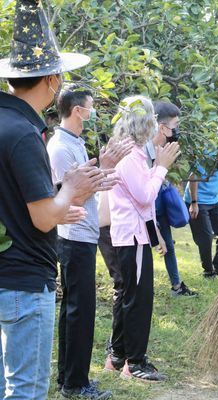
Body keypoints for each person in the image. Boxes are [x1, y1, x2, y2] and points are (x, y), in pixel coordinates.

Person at [0, 2, 115, 398]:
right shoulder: (23, 133)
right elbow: (44, 218)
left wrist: (67, 186)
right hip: (22, 280)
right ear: (51, 80)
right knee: (25, 389)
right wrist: (72, 190)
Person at [48, 86, 131, 399]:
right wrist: (102, 173)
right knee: (79, 311)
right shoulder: (60, 148)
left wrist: (103, 172)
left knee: (76, 310)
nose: (93, 112)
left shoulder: (75, 143)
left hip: (82, 235)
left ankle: (70, 379)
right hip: (72, 236)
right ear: (78, 110)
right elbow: (64, 196)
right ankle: (74, 383)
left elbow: (85, 187)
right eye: (91, 107)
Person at [107, 95, 180, 381]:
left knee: (129, 296)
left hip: (136, 235)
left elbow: (144, 205)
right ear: (148, 123)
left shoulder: (132, 154)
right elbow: (145, 196)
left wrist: (156, 235)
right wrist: (161, 166)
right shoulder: (131, 157)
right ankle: (134, 362)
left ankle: (118, 356)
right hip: (130, 238)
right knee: (138, 300)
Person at [145, 101, 196, 296]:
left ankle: (176, 285)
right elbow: (143, 195)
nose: (177, 130)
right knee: (151, 246)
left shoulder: (159, 148)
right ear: (162, 127)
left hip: (157, 208)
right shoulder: (142, 153)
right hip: (146, 211)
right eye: (175, 126)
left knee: (167, 246)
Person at [186, 165, 218, 278]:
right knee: (206, 237)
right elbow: (193, 176)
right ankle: (208, 270)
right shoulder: (205, 151)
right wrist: (194, 202)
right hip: (197, 200)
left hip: (213, 199)